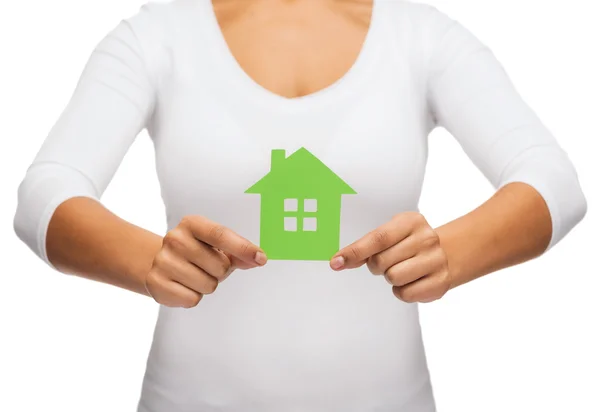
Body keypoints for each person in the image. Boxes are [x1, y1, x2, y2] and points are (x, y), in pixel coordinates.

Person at [13, 0, 587, 411]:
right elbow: (46, 191)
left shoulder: (423, 36)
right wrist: (147, 260)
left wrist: (451, 252)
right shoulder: (157, 35)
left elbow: (553, 180)